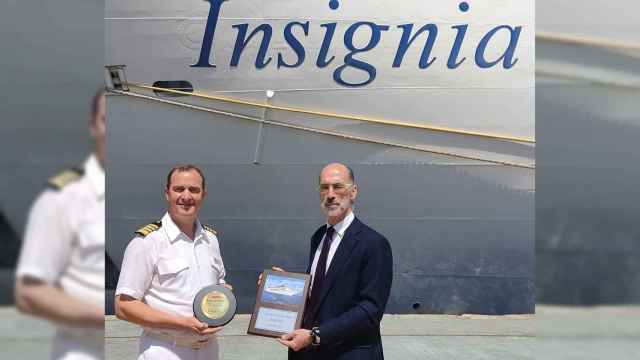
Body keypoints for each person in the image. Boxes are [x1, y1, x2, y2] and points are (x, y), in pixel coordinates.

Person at [14, 89, 107, 360]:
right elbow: (29, 293)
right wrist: (113, 318)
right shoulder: (61, 198)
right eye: (106, 120)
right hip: (82, 350)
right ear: (93, 126)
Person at [276, 162, 393, 360]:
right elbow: (321, 292)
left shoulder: (373, 243)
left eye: (338, 186)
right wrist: (281, 286)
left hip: (348, 353)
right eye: (324, 187)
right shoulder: (319, 236)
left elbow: (370, 310)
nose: (330, 194)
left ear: (353, 192)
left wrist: (316, 336)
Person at [114, 165, 229, 360]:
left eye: (194, 190)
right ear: (167, 193)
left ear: (203, 194)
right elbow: (123, 306)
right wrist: (182, 323)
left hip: (208, 351)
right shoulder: (147, 242)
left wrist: (226, 296)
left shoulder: (211, 240)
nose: (186, 196)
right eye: (179, 189)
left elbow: (219, 286)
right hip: (166, 349)